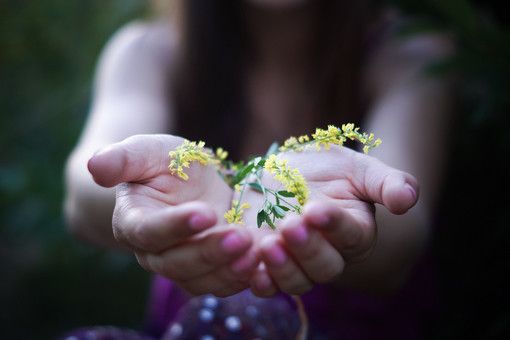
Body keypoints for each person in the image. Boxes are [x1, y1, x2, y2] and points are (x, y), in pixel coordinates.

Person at [64, 0, 453, 338]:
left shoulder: (408, 56)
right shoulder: (148, 52)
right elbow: (85, 189)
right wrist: (140, 187)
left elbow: (402, 231)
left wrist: (324, 217)